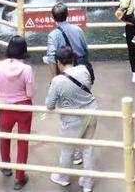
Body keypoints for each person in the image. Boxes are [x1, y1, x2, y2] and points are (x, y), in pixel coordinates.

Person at [46, 45, 98, 192]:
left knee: (67, 149)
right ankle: (87, 183)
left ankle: (63, 177)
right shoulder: (83, 70)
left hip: (72, 119)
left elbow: (49, 105)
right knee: (88, 148)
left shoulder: (57, 81)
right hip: (92, 111)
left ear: (58, 62)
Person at [0, 36, 34, 191]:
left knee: (5, 137)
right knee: (22, 142)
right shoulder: (27, 69)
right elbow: (30, 93)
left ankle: (6, 167)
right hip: (23, 108)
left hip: (4, 107)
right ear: (24, 51)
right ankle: (19, 178)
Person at [45, 2, 94, 83]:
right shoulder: (78, 29)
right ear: (67, 14)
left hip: (65, 71)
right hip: (81, 68)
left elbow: (51, 58)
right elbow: (85, 49)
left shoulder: (52, 35)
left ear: (53, 17)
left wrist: (54, 79)